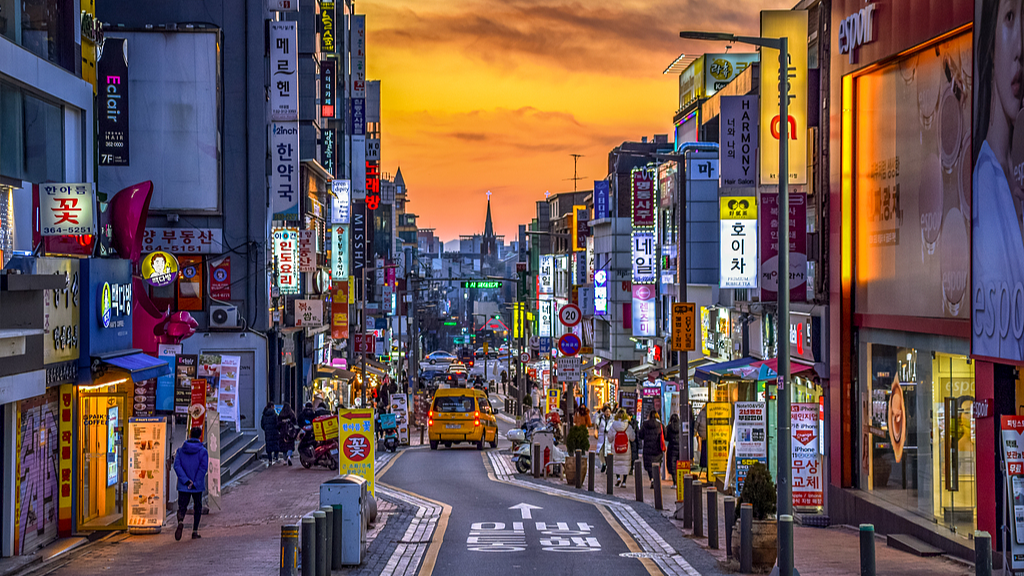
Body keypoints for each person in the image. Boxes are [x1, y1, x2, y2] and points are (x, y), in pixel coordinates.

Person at [974, 0, 1024, 361]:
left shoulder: (1014, 174)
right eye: (1009, 18)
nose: (1021, 46)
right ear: (990, 44)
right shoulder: (981, 186)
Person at [173, 427, 209, 541]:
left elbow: (177, 466)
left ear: (189, 435)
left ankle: (180, 521)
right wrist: (195, 482)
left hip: (184, 485)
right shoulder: (203, 451)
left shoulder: (180, 450)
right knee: (197, 506)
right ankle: (194, 531)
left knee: (182, 506)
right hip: (197, 486)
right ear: (199, 436)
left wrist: (186, 480)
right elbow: (203, 468)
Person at [610, 409, 635, 487]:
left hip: (616, 448)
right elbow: (632, 438)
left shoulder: (613, 425)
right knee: (625, 465)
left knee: (616, 463)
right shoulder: (628, 426)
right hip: (626, 448)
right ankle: (624, 482)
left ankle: (618, 478)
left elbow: (609, 438)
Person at [640, 410, 665, 488]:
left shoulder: (645, 424)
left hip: (647, 448)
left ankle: (652, 478)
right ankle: (656, 479)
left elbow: (640, 435)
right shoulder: (660, 425)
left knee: (649, 465)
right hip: (657, 448)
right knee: (657, 463)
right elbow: (665, 434)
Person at [595, 405, 613, 471]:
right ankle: (604, 463)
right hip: (602, 437)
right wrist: (595, 431)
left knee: (608, 452)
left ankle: (608, 466)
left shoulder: (612, 419)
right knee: (601, 452)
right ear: (604, 412)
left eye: (609, 411)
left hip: (609, 438)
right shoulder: (600, 418)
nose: (608, 413)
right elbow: (596, 425)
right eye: (606, 411)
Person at [666, 413, 682, 486]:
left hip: (671, 447)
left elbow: (666, 437)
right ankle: (679, 481)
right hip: (680, 447)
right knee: (679, 464)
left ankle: (674, 481)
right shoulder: (681, 426)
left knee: (672, 463)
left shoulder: (669, 427)